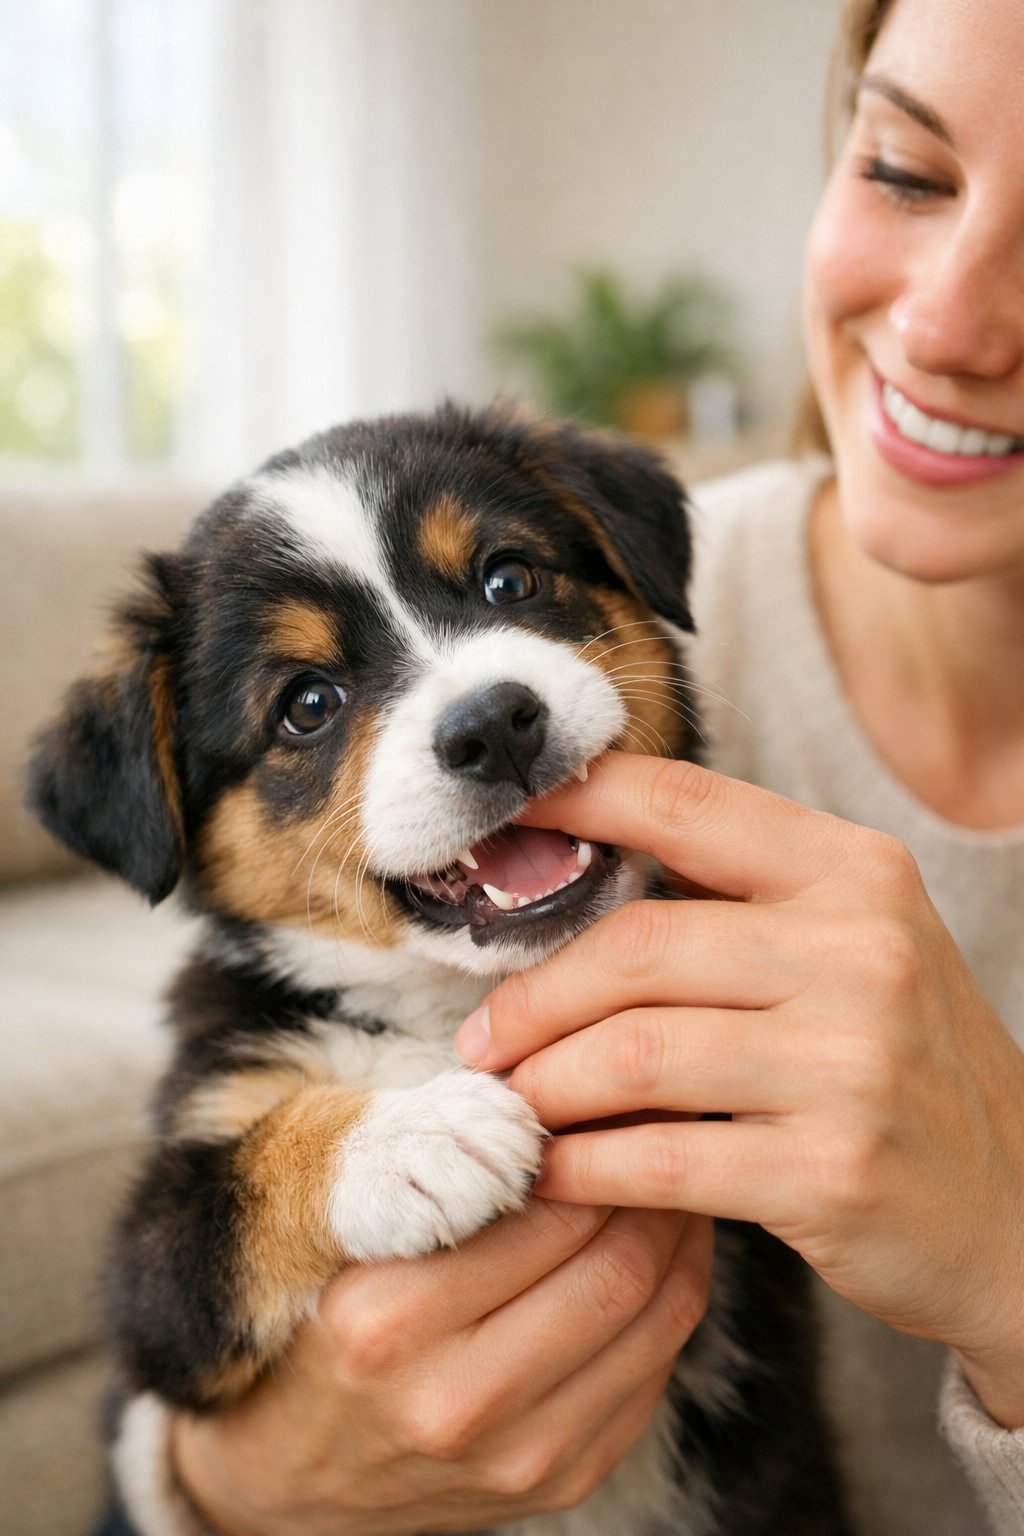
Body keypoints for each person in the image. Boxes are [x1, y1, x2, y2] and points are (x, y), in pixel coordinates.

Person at [112, 0, 1024, 1531]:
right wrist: (240, 1485)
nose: (946, 323)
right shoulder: (662, 578)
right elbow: (181, 1312)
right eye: (906, 170)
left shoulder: (625, 576)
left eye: (508, 585)